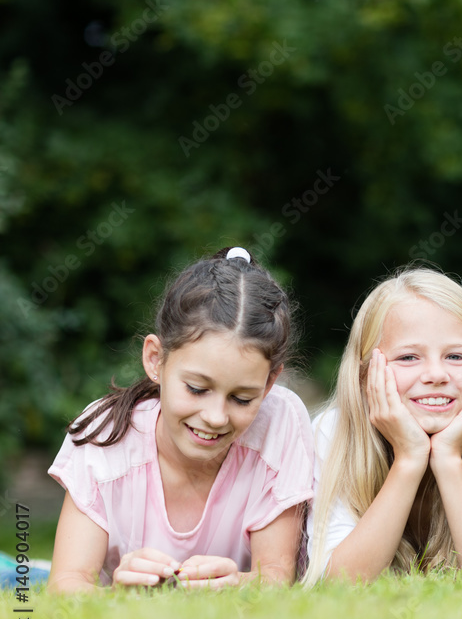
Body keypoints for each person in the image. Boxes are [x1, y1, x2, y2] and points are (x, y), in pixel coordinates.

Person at [47, 247, 314, 593]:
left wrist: (238, 584)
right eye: (197, 388)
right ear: (155, 359)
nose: (216, 417)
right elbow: (66, 583)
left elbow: (276, 578)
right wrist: (116, 591)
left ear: (270, 382)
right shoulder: (104, 435)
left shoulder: (280, 421)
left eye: (242, 398)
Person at [303, 268, 462, 584]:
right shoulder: (333, 430)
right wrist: (409, 458)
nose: (436, 375)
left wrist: (448, 458)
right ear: (365, 371)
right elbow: (335, 582)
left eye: (455, 356)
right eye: (409, 358)